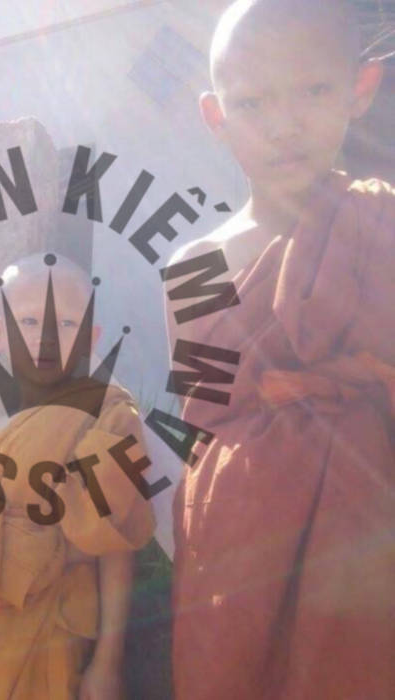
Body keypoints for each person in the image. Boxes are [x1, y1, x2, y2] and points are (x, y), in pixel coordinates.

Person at [165, 1, 395, 698]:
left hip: (369, 552)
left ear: (361, 89)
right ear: (216, 115)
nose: (284, 124)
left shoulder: (382, 226)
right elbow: (203, 428)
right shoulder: (196, 266)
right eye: (253, 102)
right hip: (239, 557)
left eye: (314, 90)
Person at [0, 253, 156, 699]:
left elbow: (114, 546)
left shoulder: (108, 417)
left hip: (49, 623)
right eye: (28, 321)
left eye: (66, 324)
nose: (46, 338)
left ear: (90, 337)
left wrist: (107, 663)